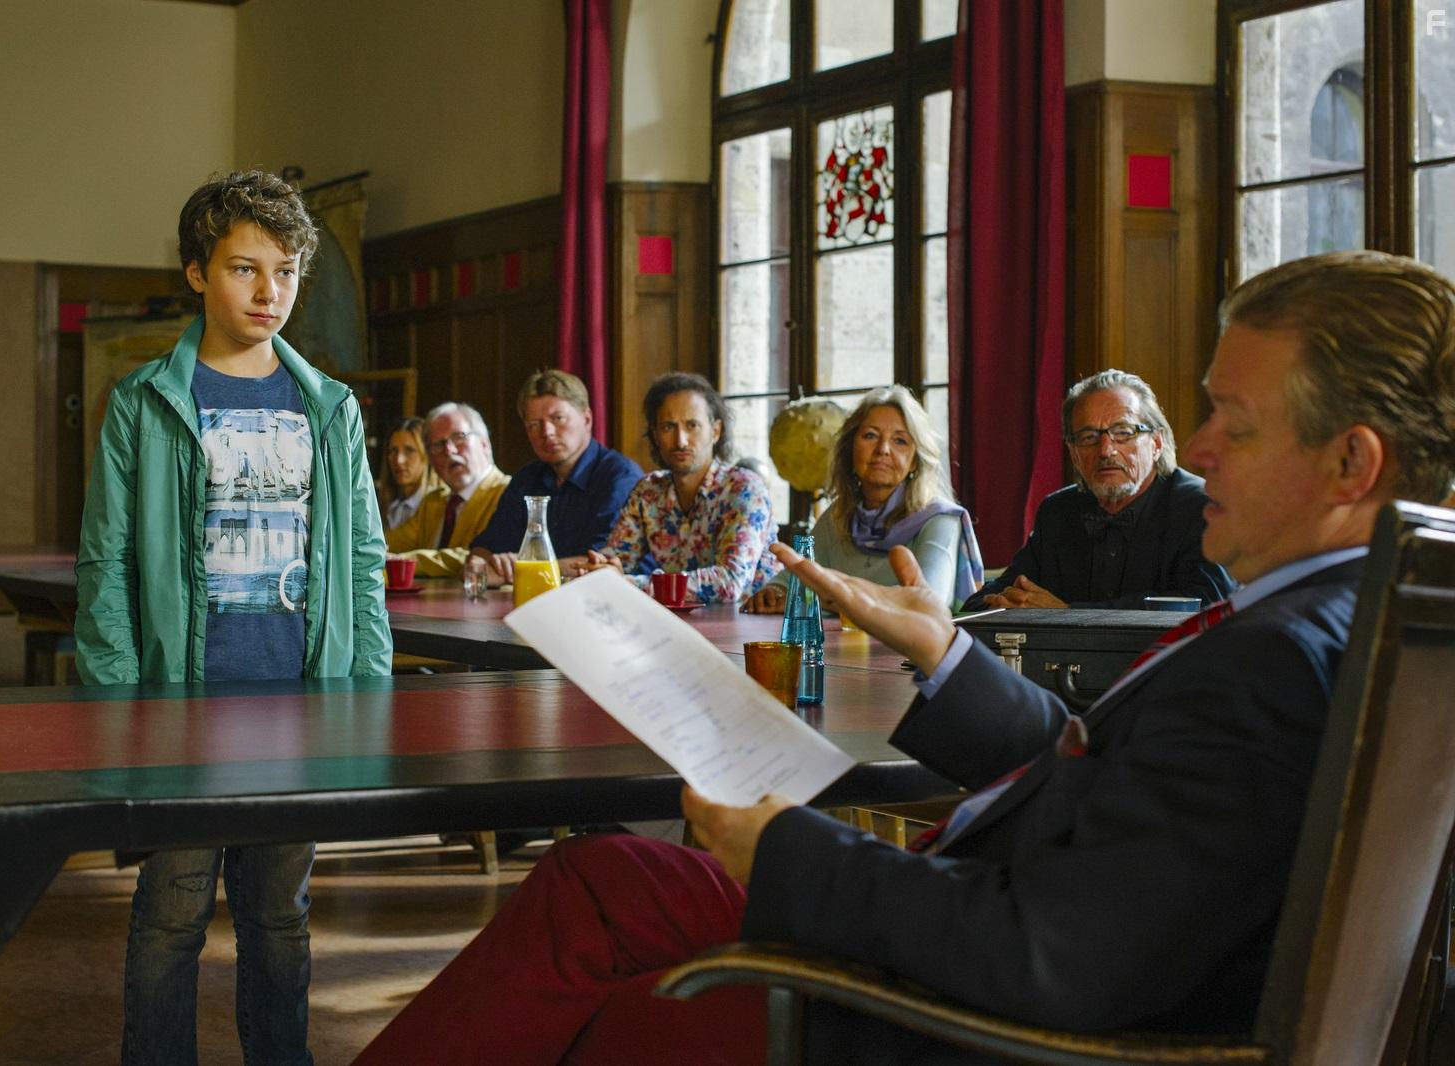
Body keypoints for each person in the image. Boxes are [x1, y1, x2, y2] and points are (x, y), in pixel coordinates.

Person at [352, 250, 1455, 1064]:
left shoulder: (1274, 663)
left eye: (1230, 419)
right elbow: (1115, 790)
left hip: (978, 1018)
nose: (1193, 447)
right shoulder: (1343, 619)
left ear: (1350, 461)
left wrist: (784, 845)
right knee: (601, 878)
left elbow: (1054, 960)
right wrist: (948, 656)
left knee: (628, 993)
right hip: (1005, 919)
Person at [76, 170, 393, 1066]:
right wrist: (114, 703)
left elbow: (363, 562)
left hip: (302, 703)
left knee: (280, 919)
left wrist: (361, 697)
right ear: (195, 273)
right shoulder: (143, 403)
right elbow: (106, 563)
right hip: (183, 704)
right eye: (246, 269)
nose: (270, 293)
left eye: (287, 272)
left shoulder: (330, 407)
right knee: (171, 916)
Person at [961, 369, 1234, 611]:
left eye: (1124, 432)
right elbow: (998, 595)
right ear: (1073, 451)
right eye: (1088, 437)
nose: (1106, 450)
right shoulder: (1058, 512)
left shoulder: (1202, 506)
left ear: (1156, 443)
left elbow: (1207, 605)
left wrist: (1068, 614)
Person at [745, 385, 983, 613]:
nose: (883, 449)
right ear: (850, 449)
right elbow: (794, 578)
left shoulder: (940, 520)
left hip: (911, 653)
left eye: (900, 440)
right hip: (846, 651)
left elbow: (927, 604)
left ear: (914, 460)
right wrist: (775, 591)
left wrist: (826, 597)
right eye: (870, 436)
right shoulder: (839, 516)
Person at [584, 372, 780, 602]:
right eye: (668, 427)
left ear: (715, 431)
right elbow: (617, 558)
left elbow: (729, 583)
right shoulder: (648, 490)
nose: (681, 441)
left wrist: (627, 583)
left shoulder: (745, 489)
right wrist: (602, 566)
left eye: (692, 425)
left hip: (756, 627)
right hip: (683, 625)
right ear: (655, 434)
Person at [466, 369, 643, 585]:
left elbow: (601, 564)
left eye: (558, 418)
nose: (547, 432)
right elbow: (482, 550)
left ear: (587, 419)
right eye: (534, 425)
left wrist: (522, 569)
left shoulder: (620, 477)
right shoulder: (526, 478)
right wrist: (482, 563)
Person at [386, 402, 509, 577]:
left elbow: (477, 556)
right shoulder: (434, 501)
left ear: (484, 444)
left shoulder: (508, 492)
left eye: (459, 437)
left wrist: (400, 562)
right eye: (438, 445)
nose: (449, 450)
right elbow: (392, 542)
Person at [377, 415, 439, 532]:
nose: (398, 460)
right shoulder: (387, 508)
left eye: (409, 450)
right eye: (393, 451)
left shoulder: (438, 509)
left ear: (427, 454)